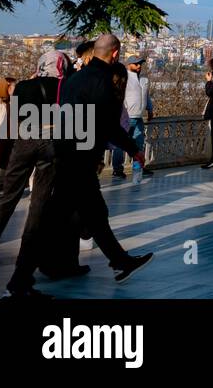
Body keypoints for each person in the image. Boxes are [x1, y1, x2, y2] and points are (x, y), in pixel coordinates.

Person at [51, 33, 153, 283]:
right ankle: (21, 279)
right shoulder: (103, 80)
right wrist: (133, 148)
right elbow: (108, 124)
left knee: (91, 215)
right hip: (81, 158)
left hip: (66, 152)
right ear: (116, 53)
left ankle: (120, 262)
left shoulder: (75, 79)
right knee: (59, 218)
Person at [0, 59, 65, 297]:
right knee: (38, 208)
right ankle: (23, 273)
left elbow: (15, 116)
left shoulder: (23, 87)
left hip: (24, 141)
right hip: (50, 141)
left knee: (7, 197)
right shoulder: (62, 87)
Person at [112, 55, 153, 181]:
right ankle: (117, 169)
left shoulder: (144, 80)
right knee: (120, 144)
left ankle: (138, 168)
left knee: (139, 143)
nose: (139, 66)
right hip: (126, 117)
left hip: (139, 117)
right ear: (129, 65)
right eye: (136, 64)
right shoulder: (125, 78)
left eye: (140, 63)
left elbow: (146, 96)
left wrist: (150, 109)